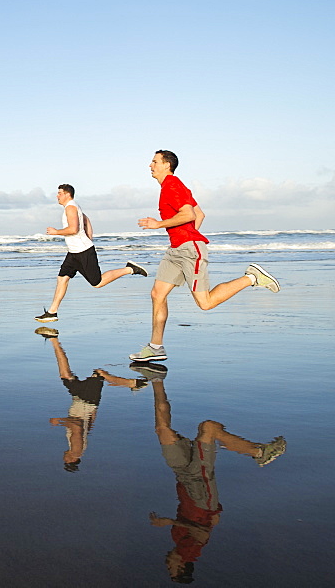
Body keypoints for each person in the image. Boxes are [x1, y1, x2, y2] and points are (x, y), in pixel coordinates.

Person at [130, 151, 280, 361]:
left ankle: (252, 278)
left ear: (167, 165)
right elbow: (200, 214)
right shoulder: (173, 186)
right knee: (157, 294)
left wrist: (160, 225)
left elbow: (189, 215)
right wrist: (186, 236)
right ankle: (155, 347)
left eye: (155, 161)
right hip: (177, 249)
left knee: (205, 303)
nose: (150, 165)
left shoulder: (172, 185)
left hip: (188, 250)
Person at [145, 371, 286, 583]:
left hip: (184, 481)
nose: (168, 564)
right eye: (171, 569)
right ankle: (259, 453)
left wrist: (177, 522)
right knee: (209, 428)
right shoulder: (190, 553)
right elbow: (203, 532)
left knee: (162, 428)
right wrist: (170, 521)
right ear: (182, 566)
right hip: (201, 494)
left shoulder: (178, 543)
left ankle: (156, 381)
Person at [35, 184, 148, 322]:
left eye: (59, 193)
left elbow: (74, 229)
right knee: (62, 278)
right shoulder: (72, 207)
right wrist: (89, 236)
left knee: (97, 282)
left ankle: (130, 269)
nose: (57, 196)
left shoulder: (70, 207)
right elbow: (86, 220)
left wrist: (56, 232)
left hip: (83, 252)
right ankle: (52, 312)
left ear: (67, 194)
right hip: (73, 252)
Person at [39, 328, 145, 471]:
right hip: (85, 400)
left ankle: (54, 341)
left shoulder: (80, 449)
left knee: (67, 375)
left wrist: (94, 411)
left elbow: (86, 427)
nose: (63, 458)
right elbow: (77, 425)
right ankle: (132, 384)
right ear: (71, 460)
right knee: (98, 374)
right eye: (65, 461)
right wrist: (59, 421)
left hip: (84, 401)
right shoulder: (76, 450)